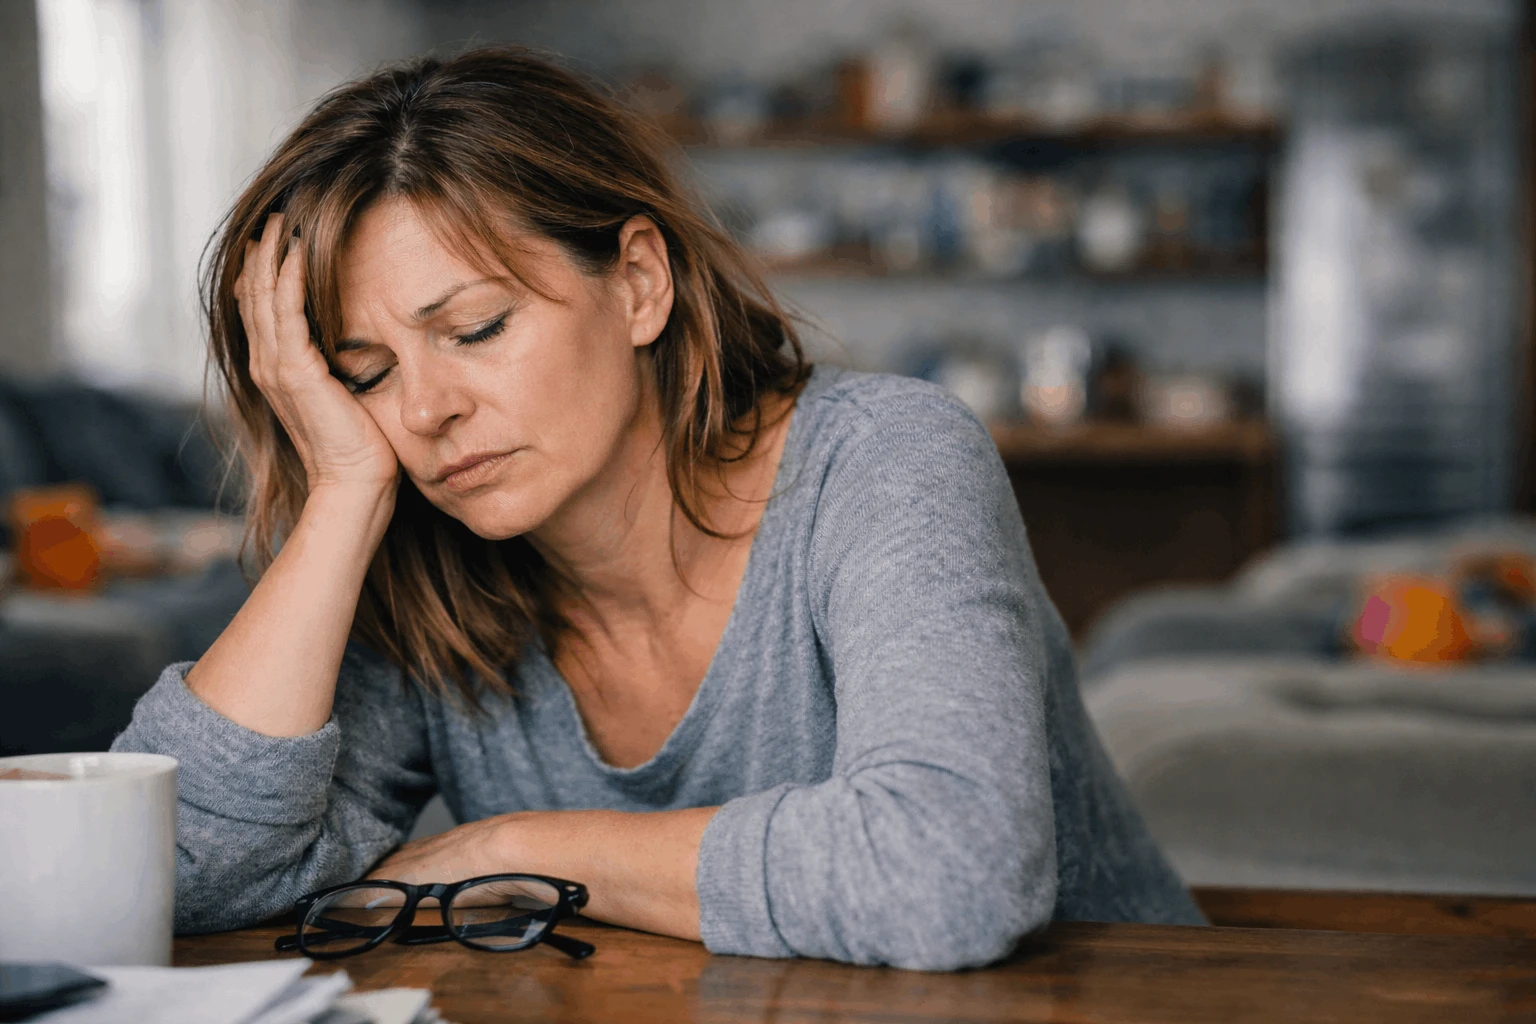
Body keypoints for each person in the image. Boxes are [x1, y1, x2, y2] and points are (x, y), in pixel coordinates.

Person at [113, 45, 1204, 972]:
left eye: (476, 329)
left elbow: (950, 869)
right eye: (363, 373)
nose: (427, 409)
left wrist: (519, 850)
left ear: (639, 282)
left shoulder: (884, 459)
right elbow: (173, 878)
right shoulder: (424, 565)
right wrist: (345, 495)